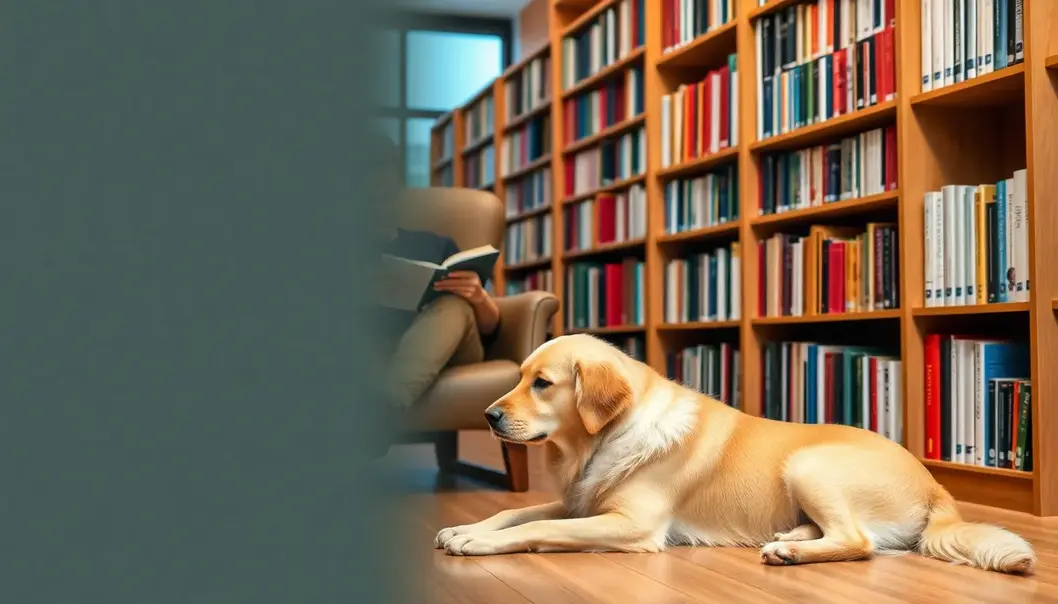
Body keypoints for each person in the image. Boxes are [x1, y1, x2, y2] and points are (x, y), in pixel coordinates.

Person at [371, 136, 501, 414]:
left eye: (387, 196)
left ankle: (385, 403)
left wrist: (478, 297)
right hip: (376, 347)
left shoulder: (436, 244)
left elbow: (491, 326)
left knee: (454, 305)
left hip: (448, 349)